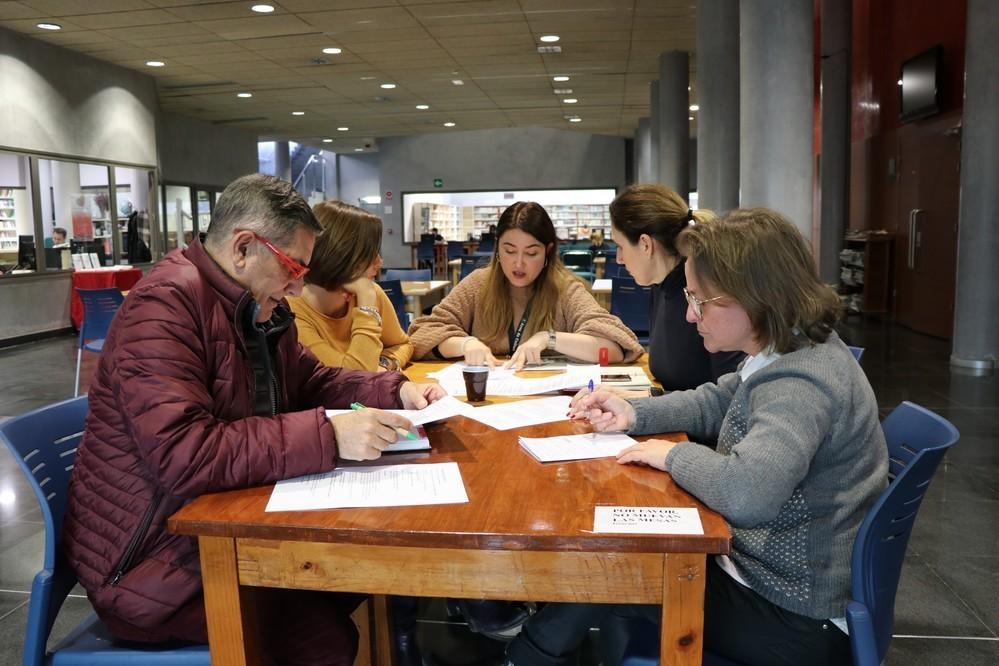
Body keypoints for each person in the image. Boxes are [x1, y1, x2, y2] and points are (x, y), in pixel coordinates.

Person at [63, 174, 445, 666]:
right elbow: (185, 454)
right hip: (151, 570)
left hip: (206, 531)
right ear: (244, 247)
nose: (298, 285)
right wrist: (329, 433)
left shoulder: (254, 304)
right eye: (292, 267)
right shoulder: (164, 307)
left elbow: (311, 380)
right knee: (321, 638)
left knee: (350, 580)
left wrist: (397, 391)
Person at [506, 208, 888, 666]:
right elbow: (716, 401)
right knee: (615, 557)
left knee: (612, 562)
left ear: (754, 296)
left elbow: (748, 492)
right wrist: (632, 412)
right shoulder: (789, 347)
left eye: (701, 300)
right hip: (776, 578)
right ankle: (534, 652)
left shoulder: (800, 382)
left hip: (791, 612)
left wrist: (672, 455)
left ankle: (526, 655)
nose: (690, 314)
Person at [409, 201, 644, 370]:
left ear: (548, 252)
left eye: (531, 253)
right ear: (497, 248)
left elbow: (615, 348)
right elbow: (422, 336)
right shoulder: (477, 284)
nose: (518, 263)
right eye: (509, 251)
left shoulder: (564, 289)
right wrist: (465, 343)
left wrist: (549, 338)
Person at [609, 184, 743, 391]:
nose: (618, 259)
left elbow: (730, 398)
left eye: (620, 246)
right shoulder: (660, 286)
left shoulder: (710, 297)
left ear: (645, 244)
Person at [289, 199, 412, 373]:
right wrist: (367, 306)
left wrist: (384, 364)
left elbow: (402, 344)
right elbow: (353, 378)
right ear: (341, 256)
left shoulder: (371, 292)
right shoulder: (292, 313)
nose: (379, 262)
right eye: (369, 253)